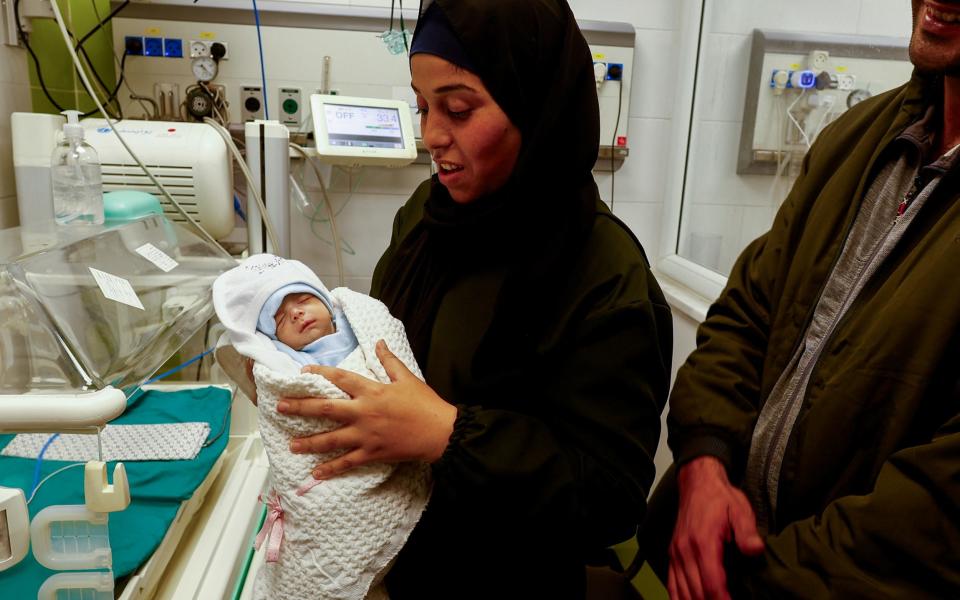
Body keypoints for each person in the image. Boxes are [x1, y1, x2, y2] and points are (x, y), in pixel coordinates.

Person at [272, 1, 673, 597]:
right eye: (423, 106)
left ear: (534, 106)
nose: (432, 134)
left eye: (458, 108)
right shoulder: (426, 223)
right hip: (398, 562)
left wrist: (446, 434)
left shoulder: (603, 274)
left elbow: (608, 497)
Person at [663, 1, 960, 597]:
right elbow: (747, 314)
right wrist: (705, 461)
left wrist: (755, 574)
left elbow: (937, 512)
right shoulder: (860, 138)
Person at [212, 254, 431, 600]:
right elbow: (278, 399)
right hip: (324, 471)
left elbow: (390, 364)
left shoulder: (359, 325)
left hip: (386, 436)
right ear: (275, 341)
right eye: (280, 318)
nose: (297, 313)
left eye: (303, 300)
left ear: (328, 304)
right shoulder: (285, 363)